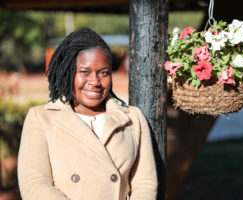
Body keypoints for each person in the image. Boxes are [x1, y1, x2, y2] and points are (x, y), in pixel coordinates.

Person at [17, 28, 158, 200]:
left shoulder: (132, 118)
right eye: (84, 72)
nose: (95, 82)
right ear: (68, 72)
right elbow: (34, 184)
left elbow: (145, 183)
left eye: (104, 73)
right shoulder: (41, 118)